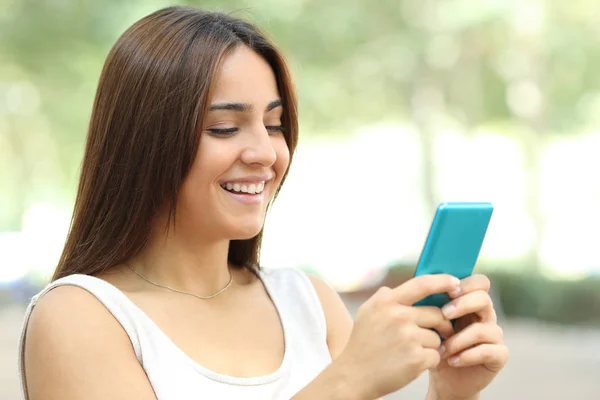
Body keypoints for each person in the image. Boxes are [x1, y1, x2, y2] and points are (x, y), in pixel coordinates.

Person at [18, 6, 508, 400]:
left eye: (273, 125)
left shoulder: (309, 304)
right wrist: (347, 382)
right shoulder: (81, 317)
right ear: (145, 142)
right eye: (225, 128)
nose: (265, 153)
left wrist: (450, 394)